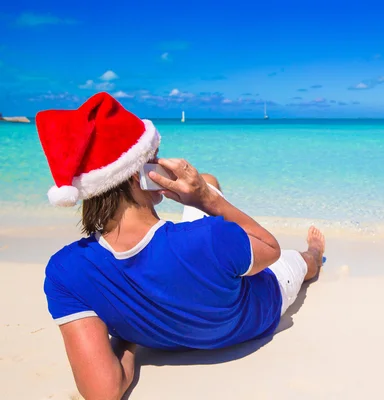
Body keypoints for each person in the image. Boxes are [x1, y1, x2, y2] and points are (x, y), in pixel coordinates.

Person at [37, 92, 326, 400]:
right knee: (299, 262)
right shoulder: (211, 237)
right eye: (156, 157)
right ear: (138, 174)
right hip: (256, 311)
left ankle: (210, 191)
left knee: (207, 184)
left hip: (187, 275)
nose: (161, 164)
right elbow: (270, 248)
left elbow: (103, 391)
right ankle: (316, 254)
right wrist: (205, 198)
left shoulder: (66, 271)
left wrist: (128, 334)